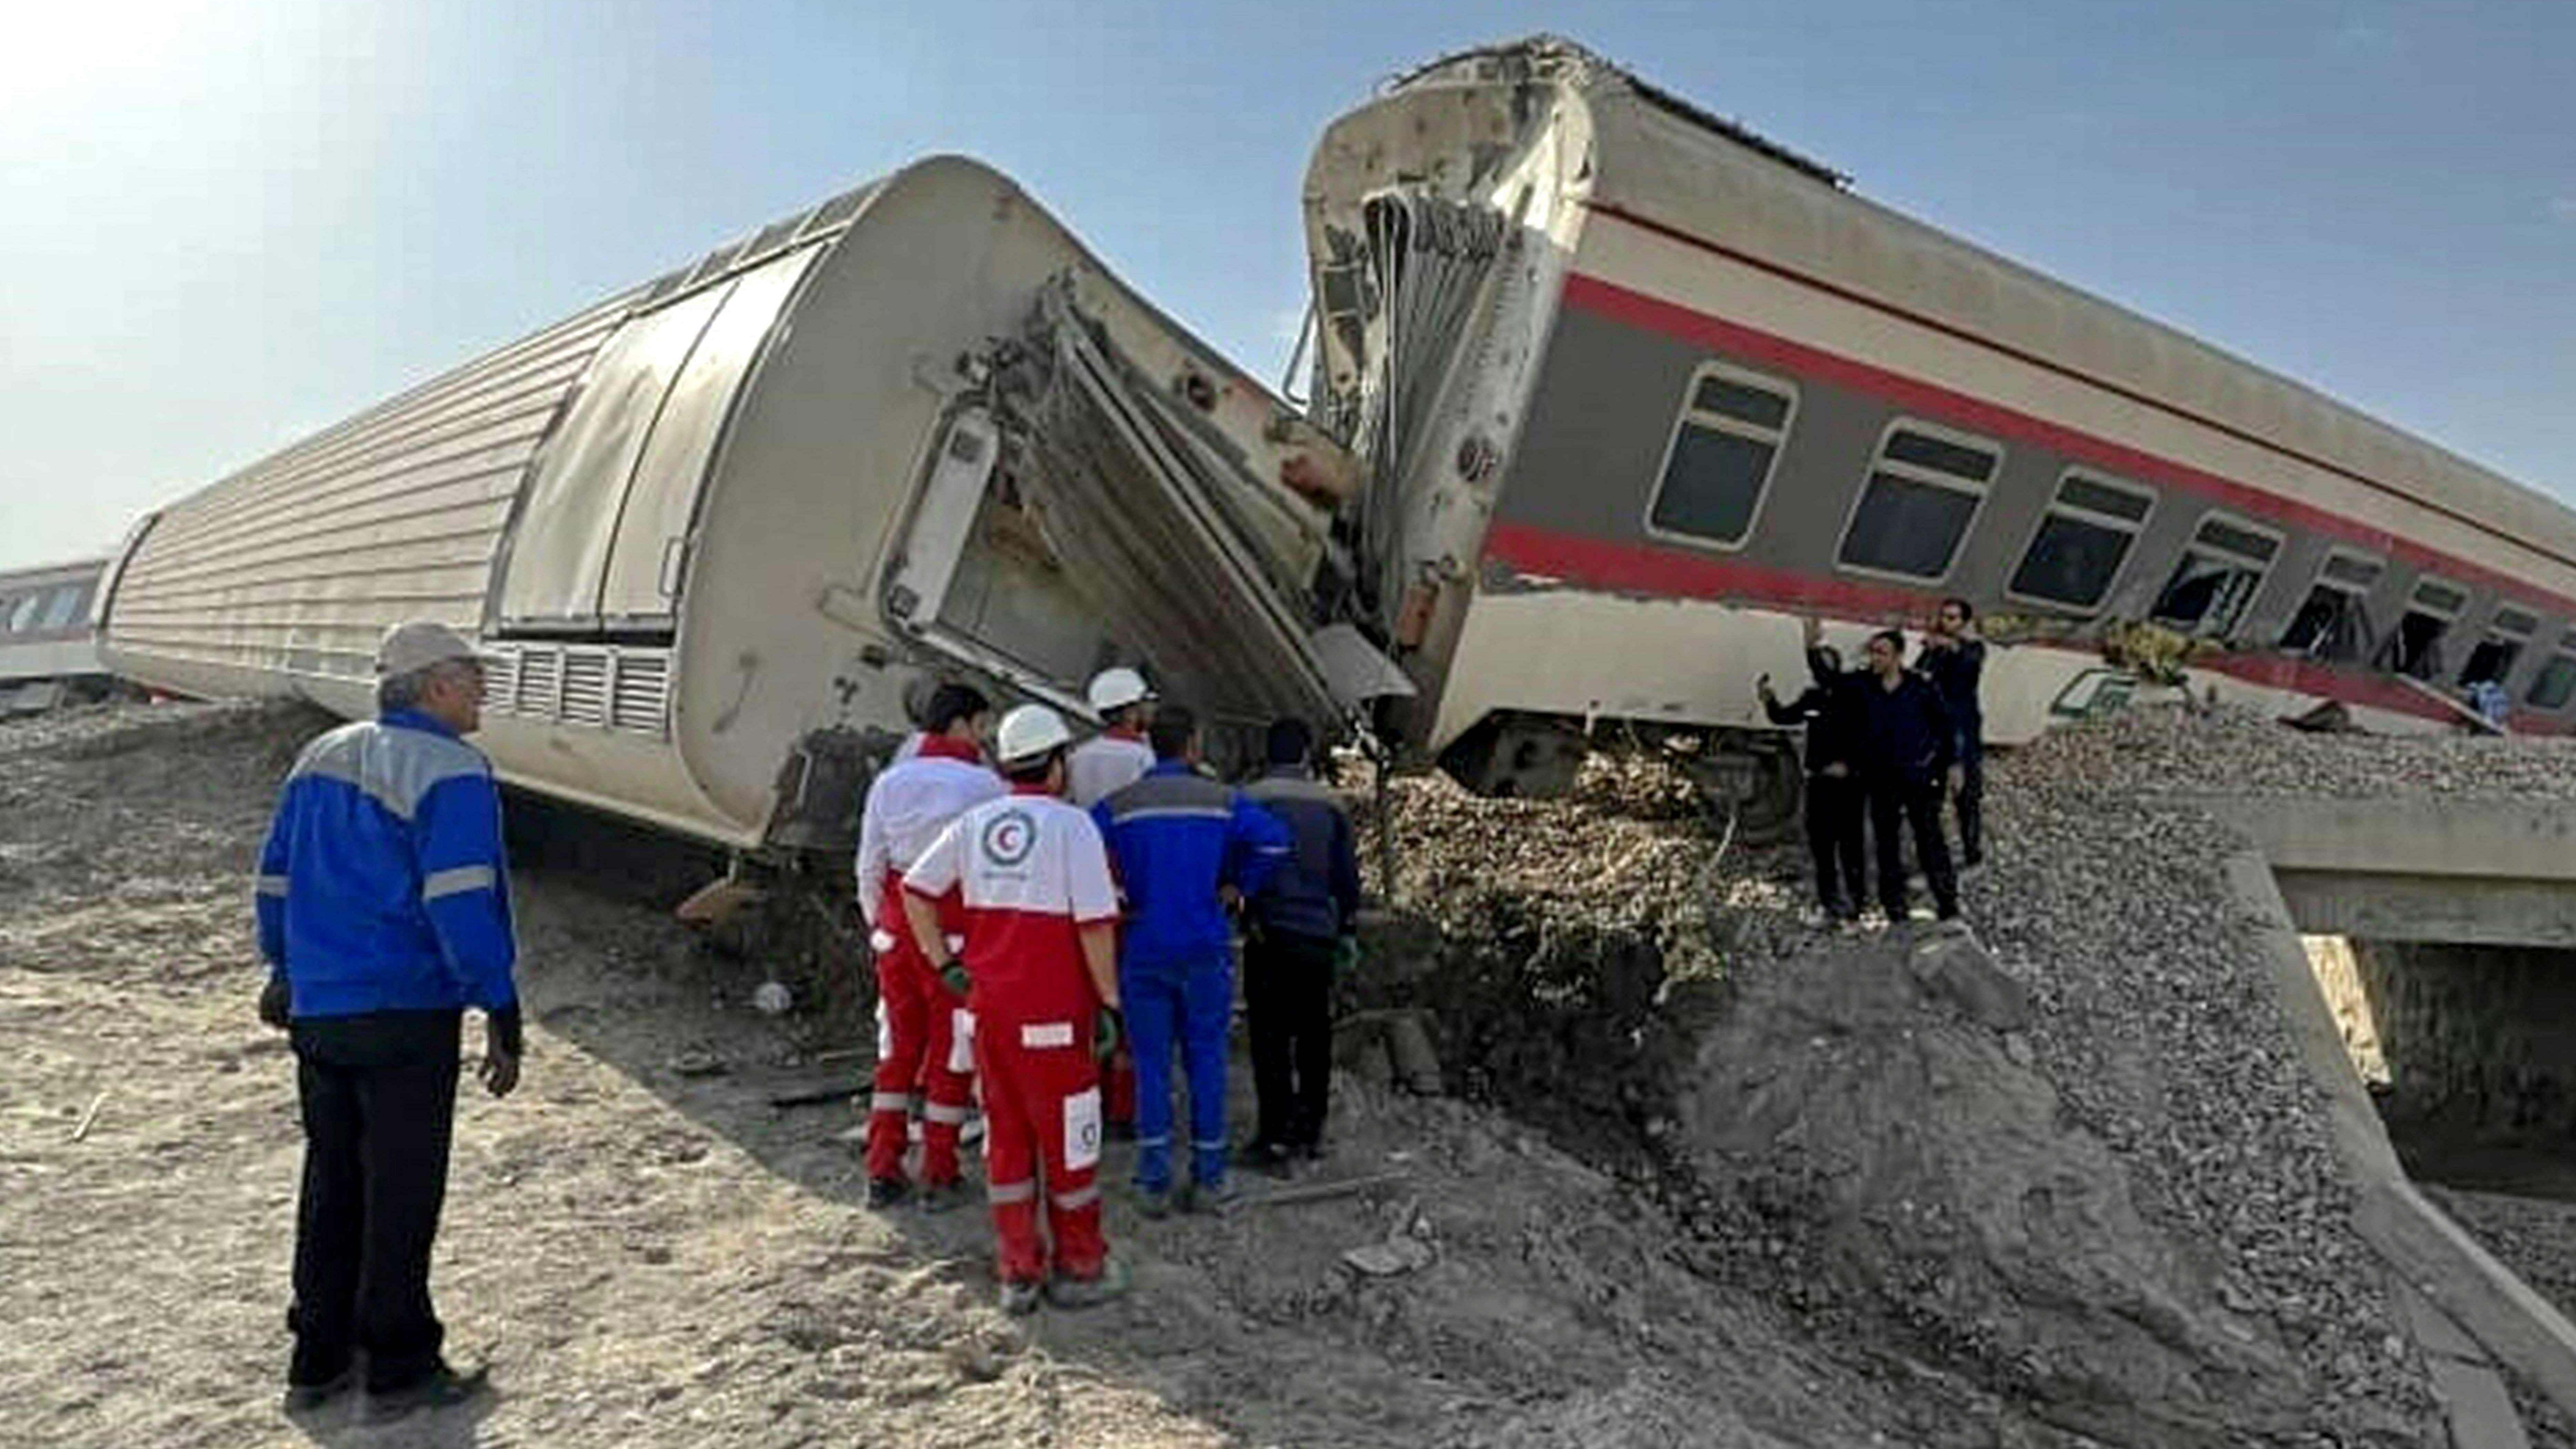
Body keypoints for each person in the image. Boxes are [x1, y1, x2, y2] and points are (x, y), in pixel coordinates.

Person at [254, 621, 519, 1423]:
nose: (482, 690)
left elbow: (275, 876)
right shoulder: (451, 767)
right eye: (473, 676)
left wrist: (282, 967)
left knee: (333, 1178)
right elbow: (460, 897)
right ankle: (399, 1364)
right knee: (402, 1187)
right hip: (405, 1005)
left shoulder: (319, 757)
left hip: (323, 1006)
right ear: (434, 684)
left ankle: (317, 1357)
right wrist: (499, 1002)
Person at [900, 704, 1129, 1313]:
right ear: (1056, 766)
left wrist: (945, 966)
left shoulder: (976, 825)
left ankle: (1017, 1271)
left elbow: (915, 890)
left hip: (989, 1018)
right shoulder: (1073, 828)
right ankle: (1081, 1266)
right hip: (1057, 1023)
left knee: (1006, 1144)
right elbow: (1095, 927)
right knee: (1071, 1145)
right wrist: (1110, 1004)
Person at [1093, 705, 1290, 1214]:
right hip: (1205, 944)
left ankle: (1153, 1180)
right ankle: (1208, 1177)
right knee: (1206, 1060)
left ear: (1149, 743)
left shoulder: (1119, 805)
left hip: (1143, 946)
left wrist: (1115, 896)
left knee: (1152, 1064)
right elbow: (1273, 841)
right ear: (1193, 745)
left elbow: (1084, 851)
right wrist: (1237, 888)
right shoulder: (1222, 800)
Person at [852, 682, 1003, 1210]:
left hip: (896, 933)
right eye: (982, 726)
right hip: (954, 938)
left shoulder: (890, 783)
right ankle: (939, 1170)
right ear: (964, 724)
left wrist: (881, 928)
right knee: (951, 1054)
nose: (984, 738)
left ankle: (882, 1166)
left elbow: (869, 866)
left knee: (896, 1052)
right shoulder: (986, 787)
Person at [1240, 718, 1363, 1170]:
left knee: (1269, 1037)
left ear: (1267, 752)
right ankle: (1309, 1133)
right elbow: (1347, 877)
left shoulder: (1249, 800)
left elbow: (1236, 865)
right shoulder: (1331, 804)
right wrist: (1348, 928)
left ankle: (1273, 1137)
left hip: (1268, 933)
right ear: (1306, 755)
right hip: (1317, 936)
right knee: (1314, 1036)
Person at [1066, 666, 1157, 1138]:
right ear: (1130, 708)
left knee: (1090, 998)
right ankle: (1123, 1108)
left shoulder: (1078, 758)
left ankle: (1091, 1098)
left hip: (1086, 886)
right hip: (1132, 890)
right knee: (1129, 1000)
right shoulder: (1143, 761)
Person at [1758, 619, 1866, 922]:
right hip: (1818, 782)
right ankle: (1830, 903)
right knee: (1822, 846)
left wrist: (1851, 766)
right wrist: (1768, 698)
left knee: (1850, 846)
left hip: (1849, 784)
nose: (1820, 670)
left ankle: (1856, 905)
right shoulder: (1813, 699)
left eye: (1825, 664)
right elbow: (1784, 717)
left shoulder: (1855, 698)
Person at [1855, 628, 1962, 925]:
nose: (1875, 658)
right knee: (1886, 843)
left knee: (1930, 840)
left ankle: (1948, 904)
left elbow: (1945, 727)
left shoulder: (1921, 687)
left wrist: (1951, 765)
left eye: (1882, 652)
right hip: (1881, 779)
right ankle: (1895, 909)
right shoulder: (1865, 686)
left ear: (1898, 656)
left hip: (1918, 776)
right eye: (1873, 652)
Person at [1917, 598, 1987, 871]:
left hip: (1962, 730)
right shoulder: (1934, 651)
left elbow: (1969, 662)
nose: (1946, 623)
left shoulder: (1973, 649)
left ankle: (1972, 854)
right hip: (1935, 730)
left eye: (1952, 618)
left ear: (1963, 623)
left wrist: (1948, 646)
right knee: (1930, 798)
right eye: (1943, 617)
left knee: (1967, 798)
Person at [1067, 667, 1157, 808]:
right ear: (1129, 712)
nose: (1151, 709)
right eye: (1144, 704)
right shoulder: (1144, 758)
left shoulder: (1078, 756)